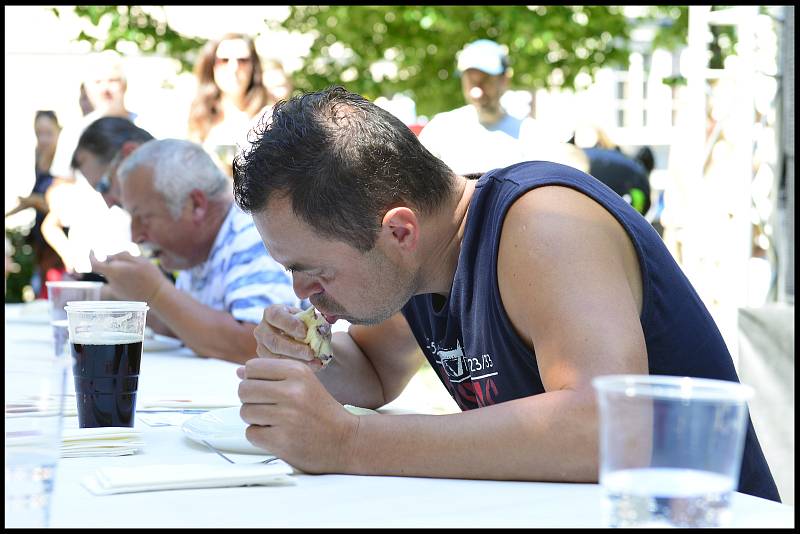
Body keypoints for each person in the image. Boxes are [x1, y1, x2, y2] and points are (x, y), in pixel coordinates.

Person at [230, 86, 780, 502]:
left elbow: (609, 429)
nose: (300, 290)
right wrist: (311, 359)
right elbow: (373, 371)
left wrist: (349, 443)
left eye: (312, 268)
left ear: (399, 230)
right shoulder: (418, 259)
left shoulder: (544, 222)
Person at [89, 139, 302, 364]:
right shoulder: (195, 249)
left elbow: (257, 344)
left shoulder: (253, 233)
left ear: (196, 205)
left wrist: (156, 292)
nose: (136, 235)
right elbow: (187, 329)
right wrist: (127, 295)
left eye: (144, 218)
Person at [418, 39, 584, 175]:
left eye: (485, 80)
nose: (476, 91)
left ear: (504, 80)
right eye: (470, 80)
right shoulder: (440, 130)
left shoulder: (531, 136)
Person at [187, 33, 273, 177]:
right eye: (224, 60)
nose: (234, 68)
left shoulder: (268, 116)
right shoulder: (199, 114)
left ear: (253, 67)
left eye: (243, 60)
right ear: (212, 65)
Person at [5, 111, 65, 297]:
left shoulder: (64, 161)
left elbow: (64, 209)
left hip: (60, 246)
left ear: (58, 131)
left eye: (48, 133)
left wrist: (35, 201)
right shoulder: (39, 158)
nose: (44, 139)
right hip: (42, 245)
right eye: (39, 133)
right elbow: (33, 197)